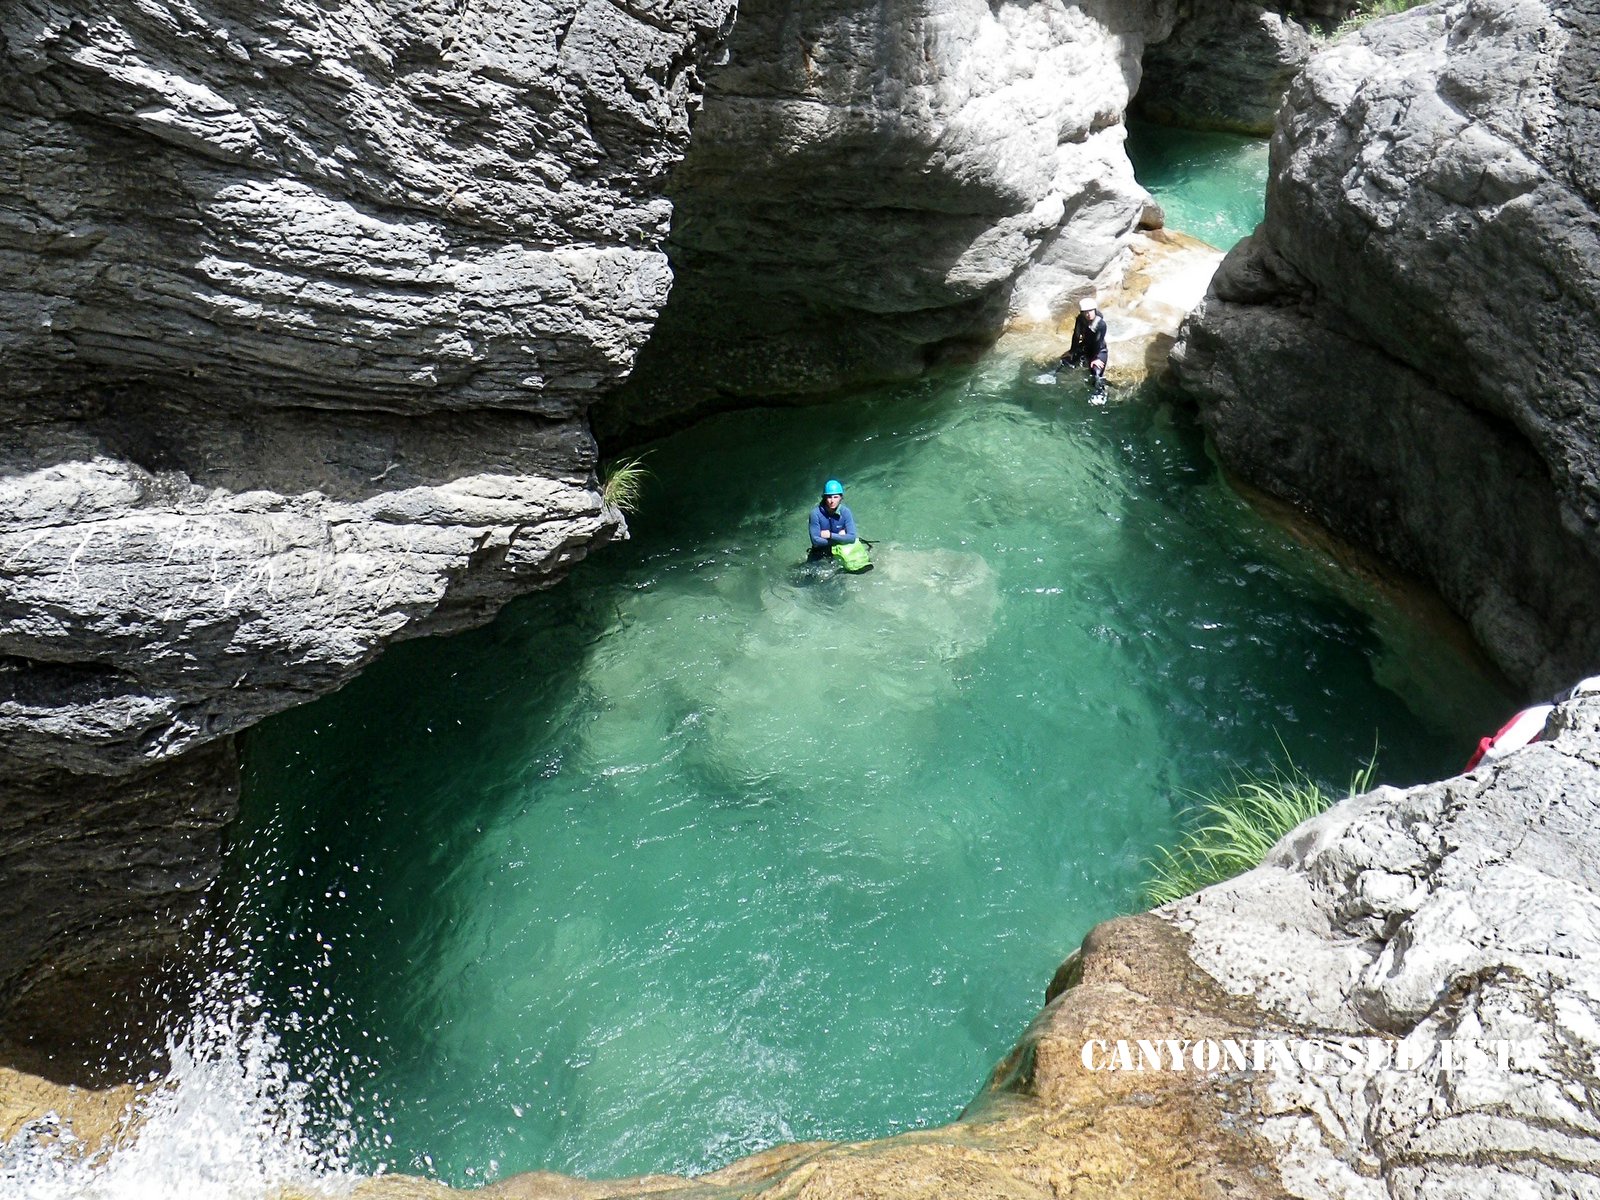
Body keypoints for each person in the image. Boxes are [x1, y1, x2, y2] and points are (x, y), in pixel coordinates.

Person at [1059, 296, 1108, 397]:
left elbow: (1098, 342)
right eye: (1085, 312)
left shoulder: (1101, 324)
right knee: (1065, 360)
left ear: (1095, 310)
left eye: (1090, 311)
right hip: (1085, 346)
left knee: (1096, 372)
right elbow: (1076, 335)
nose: (1088, 314)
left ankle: (1100, 393)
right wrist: (1072, 351)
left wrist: (1095, 358)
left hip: (1099, 350)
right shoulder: (1080, 319)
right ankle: (1052, 376)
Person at [808, 479, 857, 560]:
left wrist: (830, 535)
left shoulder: (845, 512)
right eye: (829, 497)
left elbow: (852, 538)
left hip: (840, 551)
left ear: (841, 498)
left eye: (835, 497)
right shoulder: (815, 514)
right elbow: (815, 540)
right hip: (820, 552)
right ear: (824, 498)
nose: (832, 501)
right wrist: (842, 538)